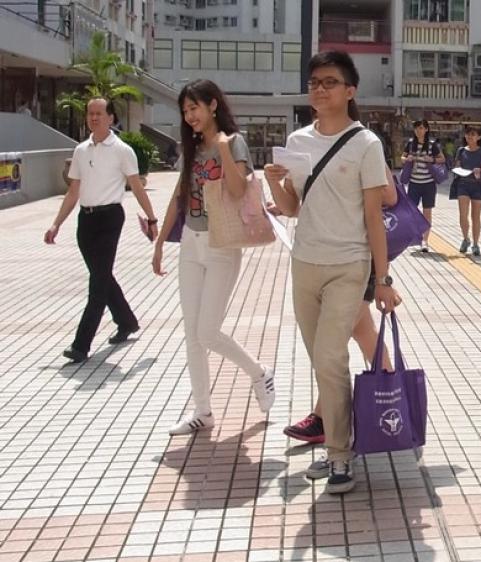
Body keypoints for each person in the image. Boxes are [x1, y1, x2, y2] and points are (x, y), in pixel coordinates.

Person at [264, 50, 399, 494]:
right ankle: (342, 439)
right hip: (304, 264)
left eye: (329, 82)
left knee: (329, 356)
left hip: (348, 264)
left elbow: (375, 217)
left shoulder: (366, 144)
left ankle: (339, 454)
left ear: (349, 91)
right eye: (314, 82)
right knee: (321, 360)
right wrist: (272, 181)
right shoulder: (299, 140)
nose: (319, 89)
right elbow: (291, 208)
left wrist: (382, 280)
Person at [152, 79, 276, 435]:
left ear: (212, 106)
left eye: (195, 108)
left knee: (207, 331)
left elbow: (237, 191)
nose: (190, 116)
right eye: (185, 110)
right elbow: (179, 196)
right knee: (192, 333)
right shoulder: (189, 148)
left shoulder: (234, 142)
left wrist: (222, 148)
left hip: (223, 244)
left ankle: (259, 373)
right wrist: (161, 242)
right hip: (191, 242)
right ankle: (203, 411)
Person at [282, 166, 400, 444]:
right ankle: (393, 397)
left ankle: (324, 418)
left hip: (360, 257)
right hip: (328, 257)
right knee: (363, 332)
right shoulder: (316, 145)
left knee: (332, 345)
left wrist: (358, 187)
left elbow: (390, 196)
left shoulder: (363, 144)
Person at [44, 98, 158, 363]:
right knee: (102, 276)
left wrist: (152, 219)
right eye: (90, 114)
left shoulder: (122, 150)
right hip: (86, 221)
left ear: (110, 118)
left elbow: (137, 186)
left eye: (99, 114)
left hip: (110, 219)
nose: (94, 118)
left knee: (97, 284)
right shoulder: (82, 150)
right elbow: (73, 191)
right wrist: (56, 223)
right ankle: (126, 321)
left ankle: (80, 345)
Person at [401, 119, 445, 252]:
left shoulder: (432, 145)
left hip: (428, 183)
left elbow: (442, 159)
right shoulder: (410, 143)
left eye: (421, 128)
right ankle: (415, 236)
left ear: (426, 129)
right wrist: (407, 159)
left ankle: (425, 241)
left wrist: (431, 159)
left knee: (427, 211)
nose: (419, 131)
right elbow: (402, 157)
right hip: (414, 182)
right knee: (412, 211)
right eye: (416, 128)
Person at [451, 125, 481, 257]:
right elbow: (456, 166)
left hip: (477, 186)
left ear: (479, 137)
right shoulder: (461, 150)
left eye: (473, 134)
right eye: (468, 134)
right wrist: (458, 168)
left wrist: (480, 171)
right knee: (463, 214)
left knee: (476, 217)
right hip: (463, 184)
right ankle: (465, 239)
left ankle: (475, 244)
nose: (470, 136)